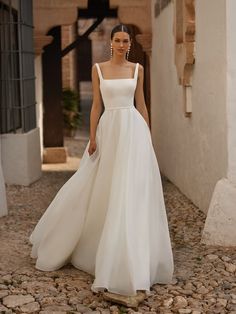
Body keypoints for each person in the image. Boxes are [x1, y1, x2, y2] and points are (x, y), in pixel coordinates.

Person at [30, 24, 174, 297]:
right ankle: (90, 244)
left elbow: (141, 104)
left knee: (131, 189)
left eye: (125, 41)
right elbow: (96, 105)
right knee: (100, 184)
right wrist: (92, 137)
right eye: (117, 40)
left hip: (133, 130)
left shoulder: (138, 70)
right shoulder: (98, 69)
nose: (121, 45)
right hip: (109, 129)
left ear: (130, 43)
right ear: (111, 42)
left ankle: (130, 254)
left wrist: (148, 134)